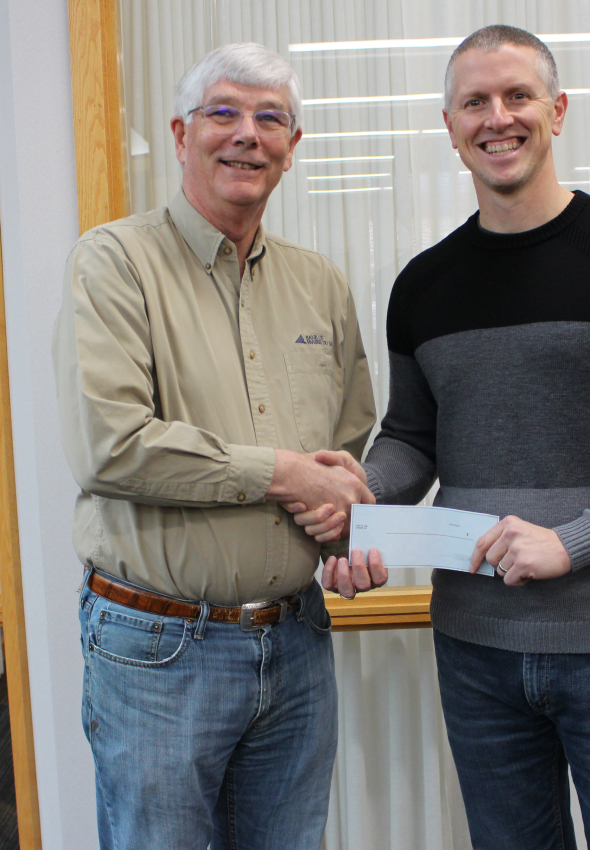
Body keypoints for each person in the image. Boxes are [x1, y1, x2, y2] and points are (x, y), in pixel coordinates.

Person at [294, 25, 590, 850]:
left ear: (557, 110)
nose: (496, 118)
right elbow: (412, 439)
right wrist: (359, 501)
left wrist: (573, 542)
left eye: (516, 96)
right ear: (449, 126)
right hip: (475, 645)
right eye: (474, 102)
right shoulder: (423, 285)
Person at [52, 42, 377, 850]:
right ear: (179, 133)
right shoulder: (114, 263)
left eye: (271, 118)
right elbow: (111, 445)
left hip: (296, 641)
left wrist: (344, 523)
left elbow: (347, 437)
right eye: (223, 112)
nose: (247, 134)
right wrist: (283, 473)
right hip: (160, 649)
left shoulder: (319, 283)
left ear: (291, 148)